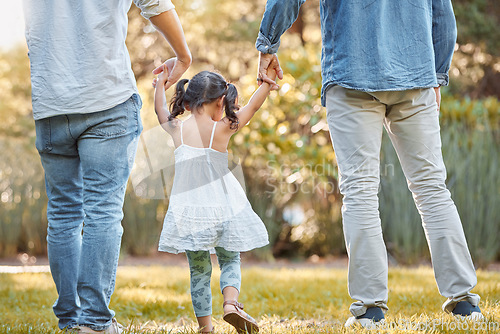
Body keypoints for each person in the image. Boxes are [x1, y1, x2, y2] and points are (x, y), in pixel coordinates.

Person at [255, 0, 484, 328]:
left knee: (360, 193)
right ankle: (464, 302)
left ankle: (370, 309)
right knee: (432, 190)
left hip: (352, 74)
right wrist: (437, 72)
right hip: (415, 73)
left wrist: (268, 42)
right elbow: (443, 14)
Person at [22, 0, 191, 332]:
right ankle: (95, 322)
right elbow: (154, 3)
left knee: (62, 213)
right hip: (107, 99)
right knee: (102, 211)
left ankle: (71, 321)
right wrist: (184, 56)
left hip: (51, 105)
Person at [153, 63, 278, 333]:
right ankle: (231, 304)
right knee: (230, 259)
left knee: (199, 270)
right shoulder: (223, 128)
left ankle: (206, 328)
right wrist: (266, 85)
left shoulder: (177, 129)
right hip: (224, 208)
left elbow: (160, 112)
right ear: (221, 101)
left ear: (187, 101)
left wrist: (160, 85)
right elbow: (253, 108)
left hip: (191, 213)